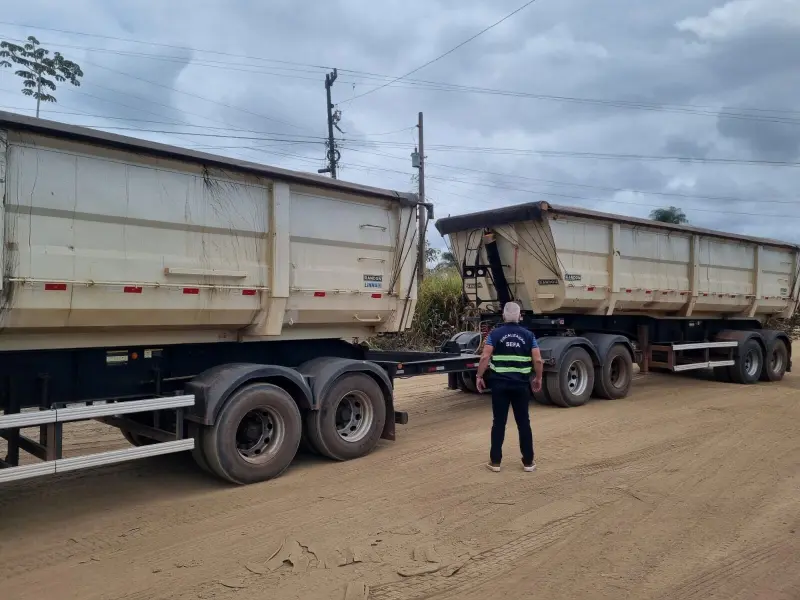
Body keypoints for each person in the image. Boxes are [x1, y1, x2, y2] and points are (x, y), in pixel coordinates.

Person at [475, 301, 543, 473]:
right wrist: (538, 378)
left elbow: (485, 357)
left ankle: (495, 462)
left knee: (499, 422)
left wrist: (479, 376)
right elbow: (537, 360)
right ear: (520, 316)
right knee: (523, 423)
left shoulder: (495, 334)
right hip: (521, 386)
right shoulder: (529, 336)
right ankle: (528, 462)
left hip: (499, 385)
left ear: (504, 316)